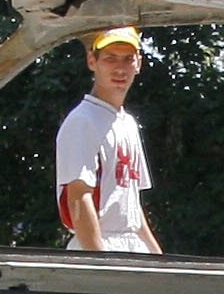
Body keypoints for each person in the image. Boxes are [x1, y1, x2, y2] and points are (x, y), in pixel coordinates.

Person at [55, 27, 161, 254]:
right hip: (98, 243)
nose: (120, 68)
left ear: (138, 64)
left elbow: (130, 203)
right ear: (92, 61)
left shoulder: (128, 123)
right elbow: (79, 198)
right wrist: (101, 262)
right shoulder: (83, 121)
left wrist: (159, 259)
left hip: (131, 245)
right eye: (110, 58)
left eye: (127, 59)